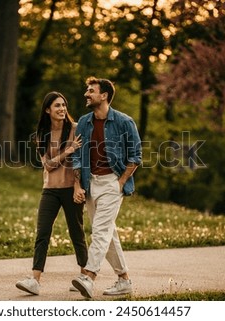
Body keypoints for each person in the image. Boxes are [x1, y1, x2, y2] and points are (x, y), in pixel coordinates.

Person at [71, 77, 142, 298]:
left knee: (100, 231)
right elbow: (76, 155)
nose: (86, 94)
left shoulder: (124, 122)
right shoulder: (84, 122)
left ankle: (89, 277)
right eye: (87, 90)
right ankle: (124, 280)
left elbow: (136, 156)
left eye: (91, 90)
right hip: (91, 183)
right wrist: (78, 184)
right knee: (108, 234)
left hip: (113, 182)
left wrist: (120, 183)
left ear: (104, 96)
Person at [15, 91, 88, 295]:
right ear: (48, 110)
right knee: (42, 234)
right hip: (50, 191)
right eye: (57, 106)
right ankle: (35, 280)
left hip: (70, 189)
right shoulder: (42, 133)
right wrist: (68, 150)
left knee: (77, 232)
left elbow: (79, 161)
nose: (62, 109)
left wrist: (77, 185)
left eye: (64, 105)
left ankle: (84, 277)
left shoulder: (75, 129)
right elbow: (47, 165)